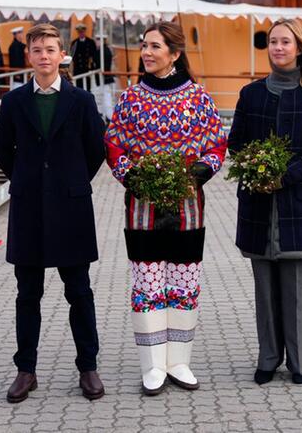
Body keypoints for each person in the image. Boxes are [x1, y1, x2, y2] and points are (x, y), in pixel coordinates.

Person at [105, 21, 227, 395]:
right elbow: (113, 145)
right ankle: (153, 365)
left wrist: (198, 174)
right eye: (144, 46)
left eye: (155, 47)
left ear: (174, 54)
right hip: (142, 210)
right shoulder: (130, 98)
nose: (146, 52)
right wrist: (134, 178)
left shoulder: (198, 97)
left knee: (185, 284)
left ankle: (179, 361)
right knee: (148, 286)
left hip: (189, 208)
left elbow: (217, 144)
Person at [0, 23, 107, 403]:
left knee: (79, 291)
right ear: (29, 55)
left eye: (50, 49)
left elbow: (95, 151)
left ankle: (88, 367)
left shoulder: (81, 102)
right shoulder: (12, 102)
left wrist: (71, 182)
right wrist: (28, 181)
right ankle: (26, 370)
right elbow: (2, 151)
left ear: (63, 55)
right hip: (29, 209)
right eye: (37, 49)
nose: (44, 55)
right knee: (28, 294)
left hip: (71, 208)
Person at [226, 18, 302, 385]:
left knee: (299, 289)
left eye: (286, 42)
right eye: (273, 42)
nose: (278, 48)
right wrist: (255, 168)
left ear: (299, 47)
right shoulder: (251, 94)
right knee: (266, 289)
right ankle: (269, 357)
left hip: (298, 201)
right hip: (258, 203)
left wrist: (285, 174)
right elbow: (235, 142)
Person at [69, 23, 98, 88]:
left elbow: (94, 55)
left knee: (87, 86)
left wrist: (93, 65)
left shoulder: (90, 42)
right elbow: (72, 56)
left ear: (85, 32)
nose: (81, 34)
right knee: (79, 86)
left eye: (82, 32)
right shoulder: (74, 43)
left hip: (87, 68)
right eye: (79, 32)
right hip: (78, 68)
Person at [96, 33, 115, 119]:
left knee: (107, 100)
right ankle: (106, 116)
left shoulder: (103, 51)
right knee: (104, 99)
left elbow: (101, 64)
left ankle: (110, 117)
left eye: (98, 39)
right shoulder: (104, 50)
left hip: (105, 78)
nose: (96, 41)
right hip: (104, 79)